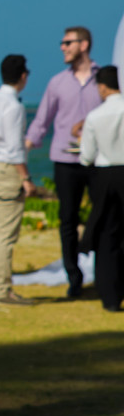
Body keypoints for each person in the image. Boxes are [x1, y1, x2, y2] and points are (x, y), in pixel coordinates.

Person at [25, 26, 101, 298]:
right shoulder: (57, 82)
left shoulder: (103, 78)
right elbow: (43, 119)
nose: (62, 47)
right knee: (67, 219)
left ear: (84, 44)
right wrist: (26, 144)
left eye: (67, 42)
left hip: (98, 159)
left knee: (103, 214)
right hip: (65, 160)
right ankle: (74, 278)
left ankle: (103, 271)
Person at [0, 55, 37, 305]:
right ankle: (1, 289)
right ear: (23, 76)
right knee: (5, 235)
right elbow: (14, 149)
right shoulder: (13, 106)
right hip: (5, 168)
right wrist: (26, 178)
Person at [78, 66, 124, 311]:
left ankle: (110, 298)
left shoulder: (95, 116)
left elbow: (86, 157)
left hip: (105, 175)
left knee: (107, 236)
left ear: (103, 86)